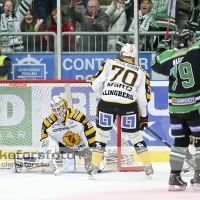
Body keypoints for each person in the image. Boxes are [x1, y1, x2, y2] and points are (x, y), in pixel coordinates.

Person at [87, 43, 153, 179]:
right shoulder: (141, 72)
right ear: (134, 57)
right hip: (128, 105)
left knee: (101, 135)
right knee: (135, 137)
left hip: (107, 103)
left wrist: (104, 95)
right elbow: (142, 99)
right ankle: (148, 167)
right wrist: (144, 118)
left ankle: (94, 166)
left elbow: (95, 84)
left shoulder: (109, 63)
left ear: (122, 54)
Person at [151, 25, 200, 191]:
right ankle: (199, 177)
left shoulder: (168, 56)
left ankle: (174, 177)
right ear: (189, 41)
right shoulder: (195, 50)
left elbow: (155, 63)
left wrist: (161, 48)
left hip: (175, 109)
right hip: (194, 105)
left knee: (180, 141)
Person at [14, 95, 106, 174]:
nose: (57, 112)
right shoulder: (47, 122)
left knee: (93, 169)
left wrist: (92, 150)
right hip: (66, 149)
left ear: (64, 107)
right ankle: (45, 161)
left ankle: (100, 156)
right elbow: (44, 139)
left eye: (58, 108)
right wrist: (47, 152)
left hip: (84, 149)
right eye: (54, 109)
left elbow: (90, 133)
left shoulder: (77, 115)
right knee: (49, 141)